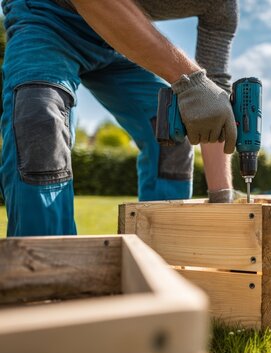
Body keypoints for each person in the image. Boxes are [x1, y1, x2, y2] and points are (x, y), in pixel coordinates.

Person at [0, 0, 239, 236]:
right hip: (47, 16)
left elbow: (212, 103)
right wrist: (192, 80)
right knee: (40, 122)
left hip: (117, 38)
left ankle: (163, 259)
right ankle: (45, 268)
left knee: (170, 126)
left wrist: (222, 197)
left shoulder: (221, 7)